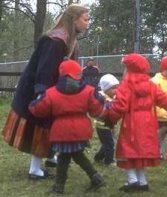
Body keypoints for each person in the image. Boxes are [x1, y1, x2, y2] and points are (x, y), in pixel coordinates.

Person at [2, 4, 90, 179]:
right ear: (74, 19)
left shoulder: (68, 40)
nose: (88, 23)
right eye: (85, 19)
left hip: (53, 89)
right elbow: (45, 70)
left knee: (53, 125)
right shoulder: (56, 41)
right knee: (41, 126)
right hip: (39, 89)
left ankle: (51, 156)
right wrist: (41, 94)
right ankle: (35, 169)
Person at [28, 59, 106, 194]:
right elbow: (96, 110)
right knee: (76, 154)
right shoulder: (88, 91)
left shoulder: (51, 93)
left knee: (65, 157)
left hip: (61, 130)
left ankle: (59, 186)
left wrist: (37, 97)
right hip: (81, 129)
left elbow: (38, 110)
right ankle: (95, 178)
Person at [106, 53, 167, 192]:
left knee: (128, 151)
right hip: (148, 122)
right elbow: (165, 100)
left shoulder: (126, 85)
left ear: (130, 69)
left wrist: (111, 119)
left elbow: (120, 106)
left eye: (125, 68)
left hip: (132, 122)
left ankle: (132, 180)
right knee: (140, 152)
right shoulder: (151, 85)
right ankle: (142, 181)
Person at [94, 74, 119, 166]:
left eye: (117, 87)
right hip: (102, 125)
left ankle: (98, 157)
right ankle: (109, 161)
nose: (115, 90)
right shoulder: (101, 98)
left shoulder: (113, 98)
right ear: (105, 89)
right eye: (113, 88)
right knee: (109, 144)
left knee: (106, 143)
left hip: (110, 124)